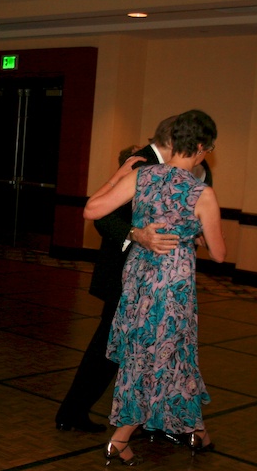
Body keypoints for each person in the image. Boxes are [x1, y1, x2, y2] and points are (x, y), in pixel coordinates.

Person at [84, 109, 226, 466]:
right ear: (197, 146)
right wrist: (197, 234)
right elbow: (220, 254)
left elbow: (92, 209)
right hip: (174, 285)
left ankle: (195, 430)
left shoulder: (140, 177)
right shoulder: (200, 192)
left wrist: (120, 173)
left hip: (137, 280)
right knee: (166, 356)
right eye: (206, 148)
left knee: (145, 354)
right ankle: (121, 438)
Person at [54, 117, 181, 434]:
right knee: (109, 349)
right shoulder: (141, 164)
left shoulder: (162, 166)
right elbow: (101, 217)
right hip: (125, 276)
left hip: (144, 278)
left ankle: (145, 420)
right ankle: (74, 412)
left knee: (138, 348)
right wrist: (137, 235)